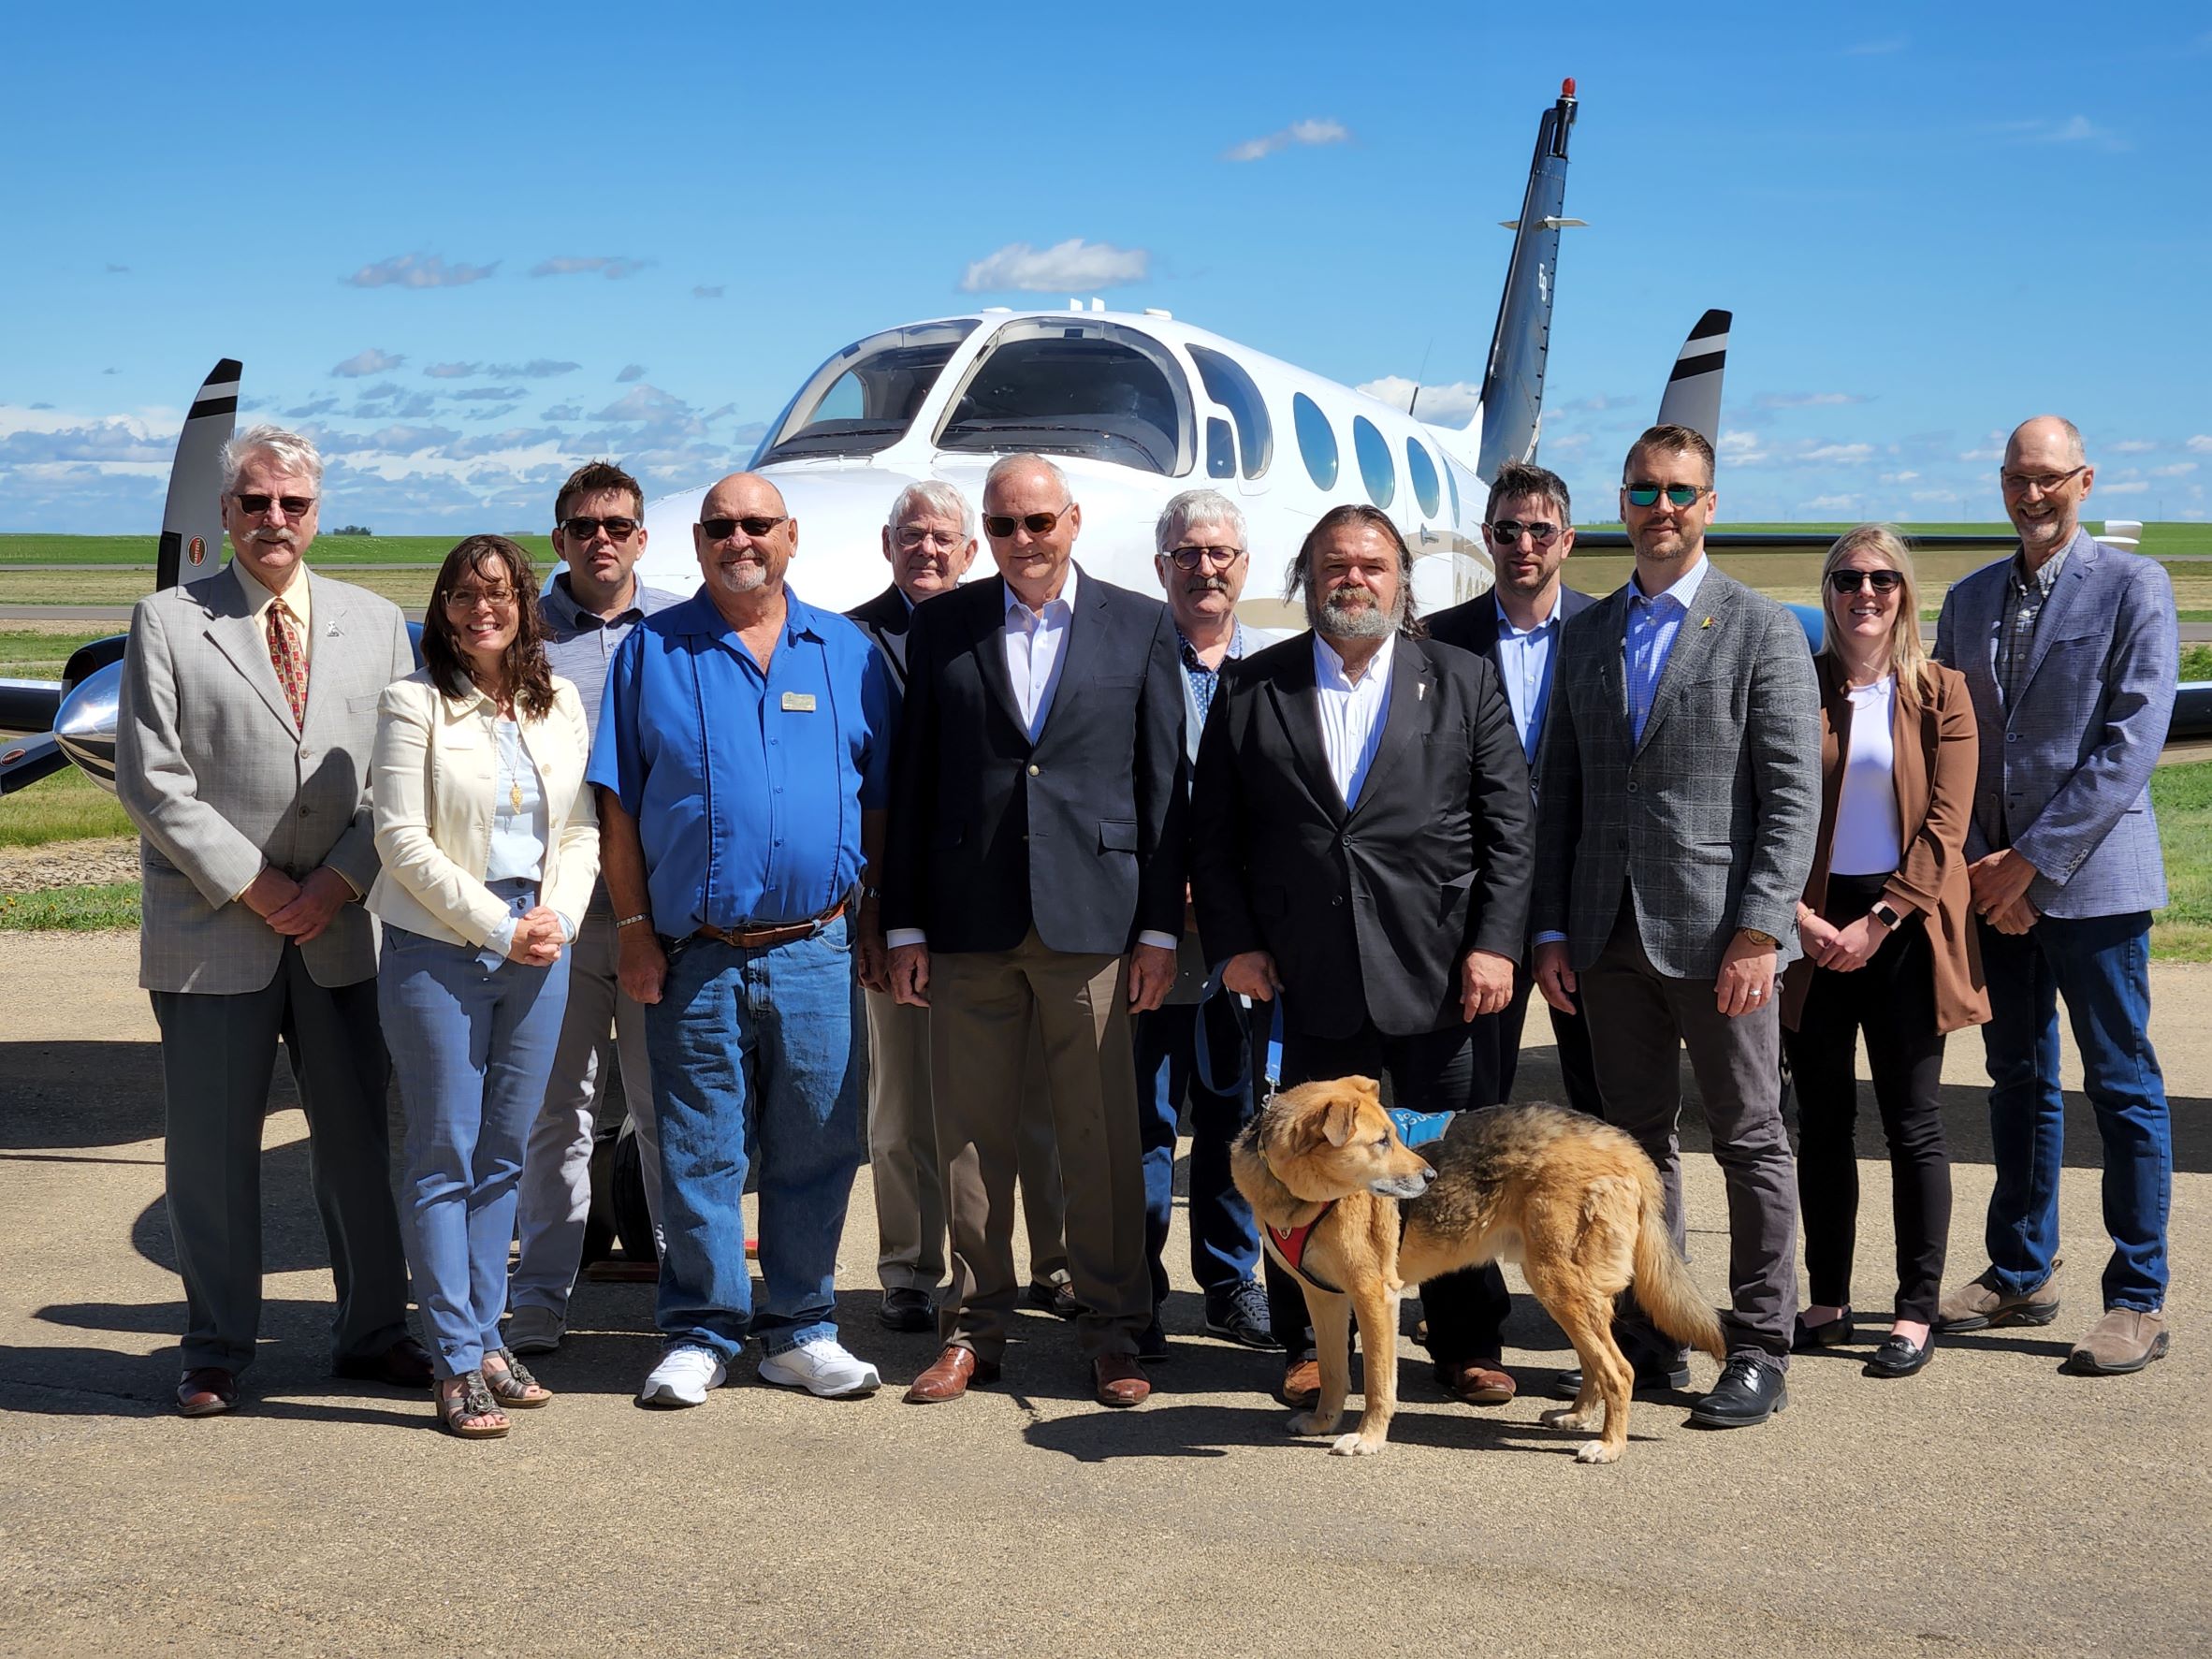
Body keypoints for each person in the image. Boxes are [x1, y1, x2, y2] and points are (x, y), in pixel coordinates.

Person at [114, 424, 428, 1419]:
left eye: (292, 504)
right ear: (225, 515)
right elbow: (151, 782)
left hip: (341, 930)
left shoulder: (377, 623)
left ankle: (375, 1330)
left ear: (317, 513)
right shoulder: (167, 622)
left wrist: (335, 885)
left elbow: (400, 780)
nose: (274, 520)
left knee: (358, 1145)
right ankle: (213, 1348)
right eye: (255, 503)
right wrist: (258, 887)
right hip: (213, 933)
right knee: (209, 1153)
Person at [1191, 503, 1533, 1410]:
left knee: (1452, 1168)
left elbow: (1510, 831)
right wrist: (1234, 946)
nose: (1354, 579)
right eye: (1335, 565)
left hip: (1439, 978)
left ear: (1401, 581)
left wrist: (1496, 946)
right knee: (1312, 1175)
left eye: (1373, 565)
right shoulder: (1254, 687)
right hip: (1308, 981)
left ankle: (1465, 1344)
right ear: (1308, 580)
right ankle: (1313, 1345)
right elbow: (1214, 837)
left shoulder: (1461, 681)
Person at [1532, 424, 1820, 1429]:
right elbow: (1560, 795)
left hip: (1719, 938)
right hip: (1607, 939)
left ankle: (1760, 1344)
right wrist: (1554, 933)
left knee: (1751, 1136)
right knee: (1635, 1151)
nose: (1663, 508)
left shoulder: (1761, 628)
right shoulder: (1587, 634)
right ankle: (1664, 1332)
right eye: (1646, 491)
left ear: (1710, 506)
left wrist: (1761, 931)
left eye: (1682, 493)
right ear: (1624, 503)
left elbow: (1791, 796)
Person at [884, 454, 1186, 1409]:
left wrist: (1159, 932)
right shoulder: (943, 627)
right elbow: (913, 785)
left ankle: (1112, 1327)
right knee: (968, 1140)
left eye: (1040, 523)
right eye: (1006, 526)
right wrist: (903, 924)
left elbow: (1163, 788)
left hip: (1095, 924)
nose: (1025, 542)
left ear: (1074, 521)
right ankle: (973, 1329)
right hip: (970, 923)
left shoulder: (1138, 625)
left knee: (1098, 1137)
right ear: (990, 531)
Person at [592, 473, 894, 1407]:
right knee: (698, 1149)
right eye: (721, 526)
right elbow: (619, 803)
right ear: (698, 541)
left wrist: (872, 926)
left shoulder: (847, 651)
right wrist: (636, 931)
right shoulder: (654, 651)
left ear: (790, 536)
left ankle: (801, 1327)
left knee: (817, 1142)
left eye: (756, 524)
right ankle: (702, 1330)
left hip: (818, 949)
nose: (740, 539)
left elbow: (876, 801)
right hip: (698, 949)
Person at [1932, 416, 2179, 1376]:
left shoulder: (2133, 586)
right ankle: (2019, 1270)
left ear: (2083, 480)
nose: (2029, 495)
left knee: (2121, 1084)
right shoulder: (1968, 598)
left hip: (2093, 883)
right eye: (2014, 479)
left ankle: (2137, 1297)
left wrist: (2029, 861)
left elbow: (2131, 738)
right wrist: (1986, 865)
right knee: (2019, 1082)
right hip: (1997, 889)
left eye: (2046, 479)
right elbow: (1950, 737)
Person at [371, 537, 600, 1437]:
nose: (483, 609)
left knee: (507, 1151)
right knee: (444, 1152)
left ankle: (485, 1337)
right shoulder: (414, 702)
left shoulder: (558, 702)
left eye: (500, 593)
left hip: (543, 944)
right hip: (441, 948)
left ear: (524, 604)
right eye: (465, 595)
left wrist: (557, 920)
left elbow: (579, 826)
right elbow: (401, 840)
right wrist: (502, 927)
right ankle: (456, 1359)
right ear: (443, 607)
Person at [847, 482, 1073, 1333]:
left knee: (1027, 1100)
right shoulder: (849, 639)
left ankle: (1051, 1261)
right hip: (902, 900)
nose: (929, 550)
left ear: (969, 549)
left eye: (944, 537)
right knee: (902, 1100)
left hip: (1002, 904)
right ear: (888, 543)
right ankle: (909, 1266)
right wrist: (874, 911)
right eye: (913, 536)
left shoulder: (1005, 622)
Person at [1777, 526, 1986, 1381]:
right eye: (1849, 578)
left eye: (1884, 579)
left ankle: (1914, 1306)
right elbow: (1765, 805)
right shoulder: (1797, 686)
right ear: (1827, 592)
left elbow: (1947, 825)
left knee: (1913, 1121)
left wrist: (1883, 919)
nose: (1866, 593)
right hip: (1813, 929)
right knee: (1820, 1121)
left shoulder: (1943, 693)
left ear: (1906, 593)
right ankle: (1827, 1296)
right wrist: (1796, 914)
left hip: (1903, 930)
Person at [508, 460, 684, 1356]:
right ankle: (540, 1289)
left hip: (662, 916)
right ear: (560, 540)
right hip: (558, 916)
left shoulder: (686, 632)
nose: (601, 538)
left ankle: (683, 1290)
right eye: (583, 526)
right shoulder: (519, 637)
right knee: (556, 1110)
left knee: (669, 1110)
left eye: (617, 524)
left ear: (642, 537)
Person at [1136, 488, 1273, 1353]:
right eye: (1187, 553)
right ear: (1162, 569)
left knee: (1233, 1118)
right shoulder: (1127, 663)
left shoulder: (1275, 672)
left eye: (1220, 553)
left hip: (1239, 943)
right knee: (1142, 1124)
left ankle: (1231, 1282)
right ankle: (1133, 1293)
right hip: (1146, 936)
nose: (1205, 568)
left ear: (1244, 567)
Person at [1427, 460, 1603, 1116]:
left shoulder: (1608, 631)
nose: (1522, 544)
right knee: (1476, 1099)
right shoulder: (1439, 640)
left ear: (1567, 539)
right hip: (1476, 904)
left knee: (1603, 1097)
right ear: (1486, 537)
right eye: (1507, 530)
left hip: (1583, 898)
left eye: (1538, 529)